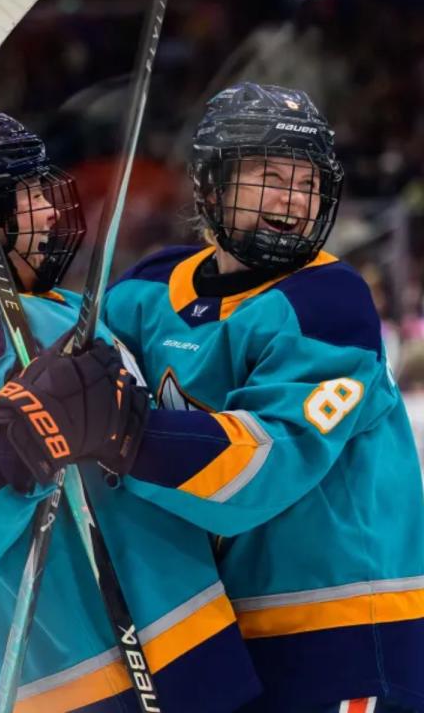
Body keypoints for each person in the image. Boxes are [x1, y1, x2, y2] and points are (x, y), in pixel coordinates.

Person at [0, 108, 260, 711]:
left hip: (182, 640)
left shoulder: (49, 305)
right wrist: (22, 442)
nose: (51, 211)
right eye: (29, 196)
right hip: (93, 672)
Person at [97, 82, 424, 712]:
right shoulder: (146, 288)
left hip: (346, 636)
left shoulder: (328, 303)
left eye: (305, 182)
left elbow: (257, 475)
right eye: (268, 176)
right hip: (225, 637)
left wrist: (117, 430)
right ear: (212, 187)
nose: (291, 198)